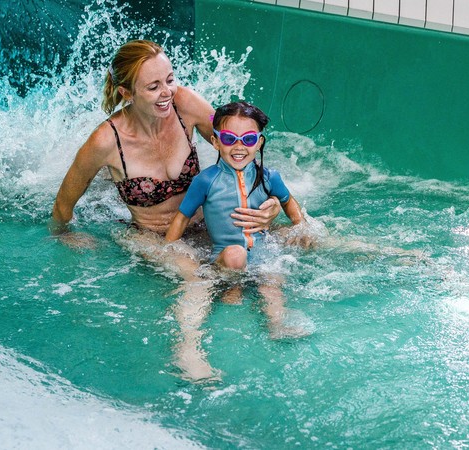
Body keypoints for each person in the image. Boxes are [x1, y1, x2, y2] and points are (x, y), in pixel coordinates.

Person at [50, 40, 302, 382]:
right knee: (195, 276)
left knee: (301, 235)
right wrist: (65, 234)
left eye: (170, 79)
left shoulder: (186, 105)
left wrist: (269, 204)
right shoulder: (106, 141)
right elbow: (64, 204)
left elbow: (237, 145)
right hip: (152, 235)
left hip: (208, 221)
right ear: (126, 93)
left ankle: (383, 254)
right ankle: (188, 353)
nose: (167, 92)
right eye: (153, 86)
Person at [165, 101, 312, 355]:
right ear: (215, 142)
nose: (239, 146)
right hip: (225, 256)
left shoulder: (269, 176)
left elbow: (288, 202)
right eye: (230, 138)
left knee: (272, 280)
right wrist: (168, 250)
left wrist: (301, 226)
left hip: (262, 253)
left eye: (248, 138)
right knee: (236, 255)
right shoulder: (206, 180)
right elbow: (181, 217)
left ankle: (276, 324)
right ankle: (232, 287)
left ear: (260, 142)